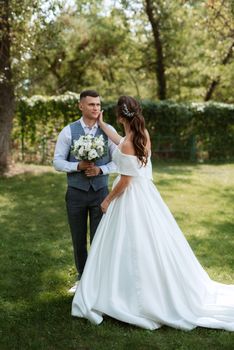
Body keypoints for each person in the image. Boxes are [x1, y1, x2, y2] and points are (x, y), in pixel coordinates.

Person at [71, 95, 234, 331]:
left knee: (131, 243)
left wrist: (106, 200)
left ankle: (129, 295)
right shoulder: (141, 135)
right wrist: (103, 125)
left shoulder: (129, 142)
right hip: (146, 195)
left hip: (129, 197)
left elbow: (126, 180)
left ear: (121, 116)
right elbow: (120, 141)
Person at [53, 90, 117, 293]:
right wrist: (77, 167)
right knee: (78, 239)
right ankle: (82, 279)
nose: (96, 108)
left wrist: (101, 169)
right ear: (81, 106)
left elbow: (119, 161)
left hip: (101, 192)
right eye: (91, 105)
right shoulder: (68, 131)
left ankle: (97, 281)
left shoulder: (108, 131)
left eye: (98, 104)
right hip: (76, 194)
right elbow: (57, 162)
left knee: (99, 238)